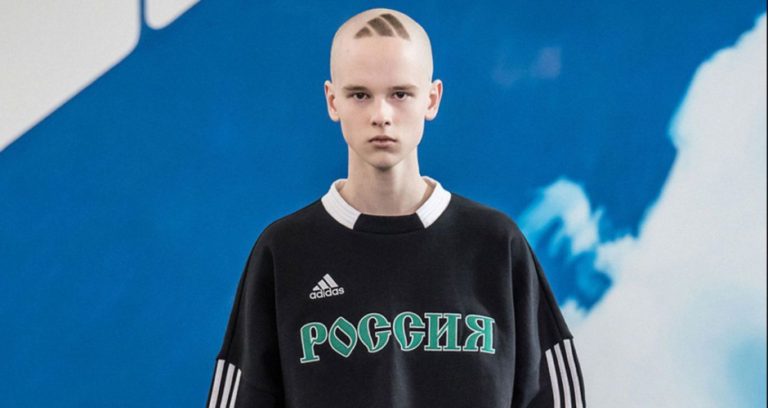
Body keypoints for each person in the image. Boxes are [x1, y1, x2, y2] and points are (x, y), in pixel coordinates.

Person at [205, 7, 586, 408]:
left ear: (432, 99)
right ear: (332, 101)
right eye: (360, 95)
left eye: (400, 94)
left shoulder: (496, 245)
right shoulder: (285, 251)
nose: (381, 115)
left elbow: (555, 396)